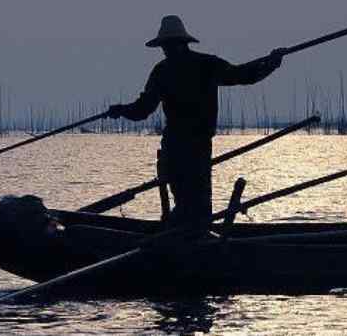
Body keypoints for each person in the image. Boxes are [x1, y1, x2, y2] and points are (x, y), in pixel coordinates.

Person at [106, 15, 284, 226]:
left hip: (189, 147)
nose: (166, 50)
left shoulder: (181, 68)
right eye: (165, 46)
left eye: (168, 45)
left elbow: (241, 75)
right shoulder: (188, 67)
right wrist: (121, 110)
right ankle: (185, 237)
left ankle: (186, 239)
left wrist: (271, 64)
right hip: (182, 147)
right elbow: (142, 109)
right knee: (191, 206)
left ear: (178, 44)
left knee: (191, 206)